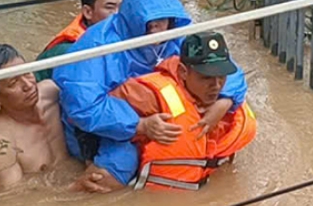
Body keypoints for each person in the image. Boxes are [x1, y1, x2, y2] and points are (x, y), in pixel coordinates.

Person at [53, 0, 249, 191]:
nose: (156, 28)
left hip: (157, 117)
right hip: (106, 129)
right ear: (135, 17)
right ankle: (73, 191)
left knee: (224, 129)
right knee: (116, 171)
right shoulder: (97, 45)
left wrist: (223, 101)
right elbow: (83, 107)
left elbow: (228, 70)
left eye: (162, 20)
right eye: (150, 22)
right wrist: (141, 125)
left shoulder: (177, 35)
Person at [108, 31, 257, 191]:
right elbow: (101, 115)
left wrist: (225, 101)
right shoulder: (149, 95)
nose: (216, 85)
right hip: (159, 201)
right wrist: (142, 125)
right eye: (206, 77)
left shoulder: (229, 98)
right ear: (183, 72)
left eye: (221, 76)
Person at [0, 44, 68, 191]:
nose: (28, 85)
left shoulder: (52, 92)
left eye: (27, 73)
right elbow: (14, 202)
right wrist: (75, 188)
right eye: (13, 83)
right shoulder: (1, 144)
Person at [35, 0, 124, 82]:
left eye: (122, 7)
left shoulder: (126, 34)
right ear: (88, 12)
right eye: (110, 8)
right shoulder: (67, 51)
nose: (118, 14)